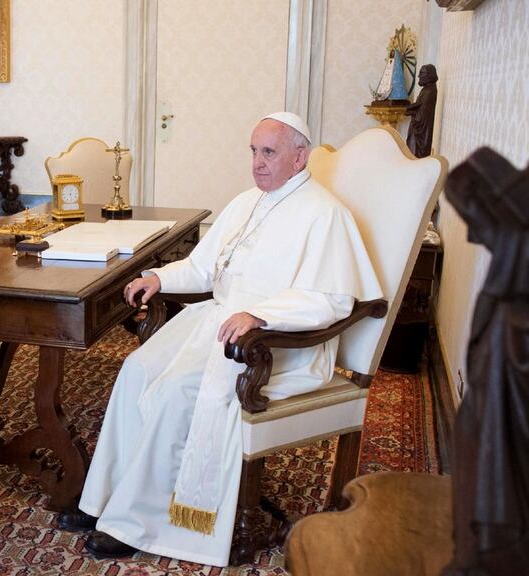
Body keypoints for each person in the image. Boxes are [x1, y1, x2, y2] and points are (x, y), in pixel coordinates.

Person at [57, 112, 382, 567]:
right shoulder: (247, 201)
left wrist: (261, 316)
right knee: (136, 370)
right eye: (253, 151)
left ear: (298, 156)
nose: (257, 162)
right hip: (217, 322)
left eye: (268, 152)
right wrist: (157, 276)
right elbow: (205, 268)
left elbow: (332, 300)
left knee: (174, 392)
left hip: (275, 343)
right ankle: (105, 499)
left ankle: (139, 521)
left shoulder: (325, 213)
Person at [405, 64, 438, 159]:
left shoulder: (430, 91)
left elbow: (422, 115)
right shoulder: (426, 89)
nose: (419, 76)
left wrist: (410, 110)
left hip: (421, 133)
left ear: (430, 75)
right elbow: (420, 105)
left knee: (415, 155)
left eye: (422, 73)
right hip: (418, 129)